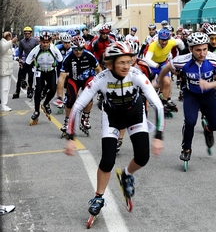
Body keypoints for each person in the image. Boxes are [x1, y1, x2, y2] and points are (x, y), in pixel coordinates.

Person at [64, 41, 164, 217]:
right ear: (110, 64)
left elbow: (158, 104)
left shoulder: (136, 74)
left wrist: (159, 135)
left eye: (129, 61)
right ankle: (98, 197)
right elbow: (78, 105)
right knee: (107, 160)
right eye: (121, 62)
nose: (126, 66)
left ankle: (126, 174)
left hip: (135, 114)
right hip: (112, 117)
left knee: (143, 157)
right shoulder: (101, 79)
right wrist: (70, 137)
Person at [157, 32, 216, 161]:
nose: (202, 53)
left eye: (204, 49)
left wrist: (210, 84)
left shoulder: (213, 59)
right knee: (190, 121)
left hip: (209, 94)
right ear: (191, 49)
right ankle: (186, 149)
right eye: (198, 50)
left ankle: (208, 129)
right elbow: (166, 68)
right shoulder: (182, 60)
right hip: (191, 95)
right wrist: (159, 82)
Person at [59, 36, 102, 135]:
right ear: (72, 48)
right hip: (74, 79)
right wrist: (59, 94)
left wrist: (100, 86)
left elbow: (99, 69)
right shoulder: (68, 58)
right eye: (76, 49)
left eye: (81, 49)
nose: (78, 51)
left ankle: (85, 117)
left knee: (88, 98)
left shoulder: (89, 55)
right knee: (71, 100)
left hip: (88, 78)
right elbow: (62, 77)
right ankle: (67, 121)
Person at [143, 29, 185, 117]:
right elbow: (147, 59)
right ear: (158, 38)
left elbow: (180, 42)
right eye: (162, 40)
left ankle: (164, 102)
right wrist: (155, 65)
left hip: (163, 63)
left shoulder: (171, 42)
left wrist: (183, 52)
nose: (164, 42)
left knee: (167, 82)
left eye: (166, 40)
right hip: (152, 65)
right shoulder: (153, 45)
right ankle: (145, 101)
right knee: (149, 85)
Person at [26, 31, 63, 126]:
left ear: (50, 41)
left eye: (47, 42)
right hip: (39, 71)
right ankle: (36, 111)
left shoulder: (54, 49)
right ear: (40, 41)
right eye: (43, 42)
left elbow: (61, 62)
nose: (45, 44)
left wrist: (60, 75)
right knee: (38, 91)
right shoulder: (35, 49)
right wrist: (24, 79)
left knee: (53, 89)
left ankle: (46, 103)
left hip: (51, 71)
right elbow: (27, 63)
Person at [13, 26, 39, 99]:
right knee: (20, 77)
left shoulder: (35, 41)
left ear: (31, 33)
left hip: (31, 62)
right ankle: (17, 92)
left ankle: (30, 91)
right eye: (26, 33)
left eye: (28, 33)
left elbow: (37, 51)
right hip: (24, 62)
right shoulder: (22, 42)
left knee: (31, 77)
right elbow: (20, 52)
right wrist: (20, 61)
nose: (27, 35)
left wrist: (36, 60)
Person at [0, 31, 18, 111]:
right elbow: (3, 49)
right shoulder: (2, 43)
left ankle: (4, 104)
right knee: (4, 88)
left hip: (8, 70)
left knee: (6, 88)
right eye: (9, 35)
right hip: (4, 70)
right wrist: (11, 41)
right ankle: (3, 105)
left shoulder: (7, 43)